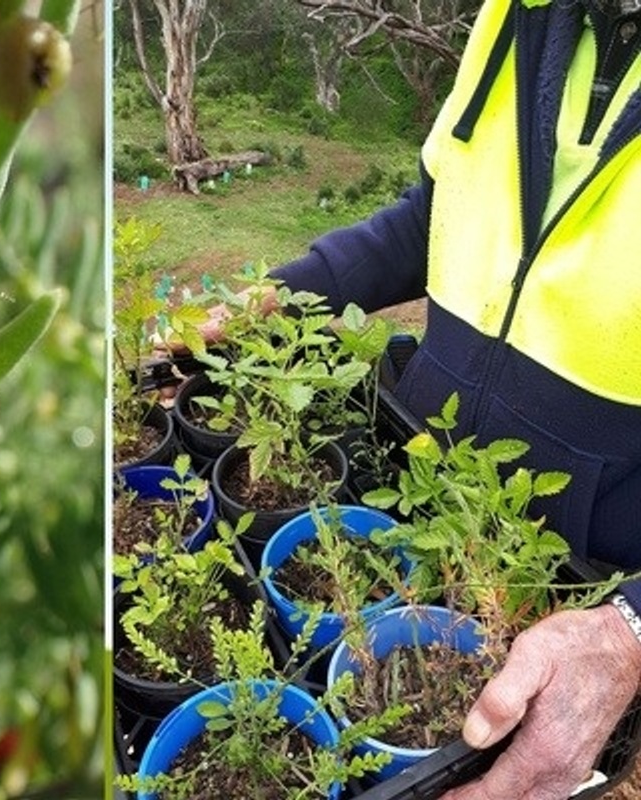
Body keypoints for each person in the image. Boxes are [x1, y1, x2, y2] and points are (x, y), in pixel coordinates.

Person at [193, 0, 641, 794]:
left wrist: (629, 631)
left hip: (581, 584)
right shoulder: (520, 11)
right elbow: (436, 216)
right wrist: (275, 300)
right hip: (418, 483)